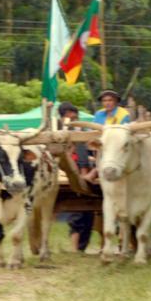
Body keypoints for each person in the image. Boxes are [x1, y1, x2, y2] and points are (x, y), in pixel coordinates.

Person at [59, 101, 98, 253]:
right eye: (69, 117)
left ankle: (80, 248)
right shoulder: (58, 131)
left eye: (75, 117)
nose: (72, 120)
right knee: (77, 215)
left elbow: (91, 150)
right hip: (67, 169)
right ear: (63, 118)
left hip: (85, 168)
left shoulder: (83, 131)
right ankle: (75, 248)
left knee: (88, 214)